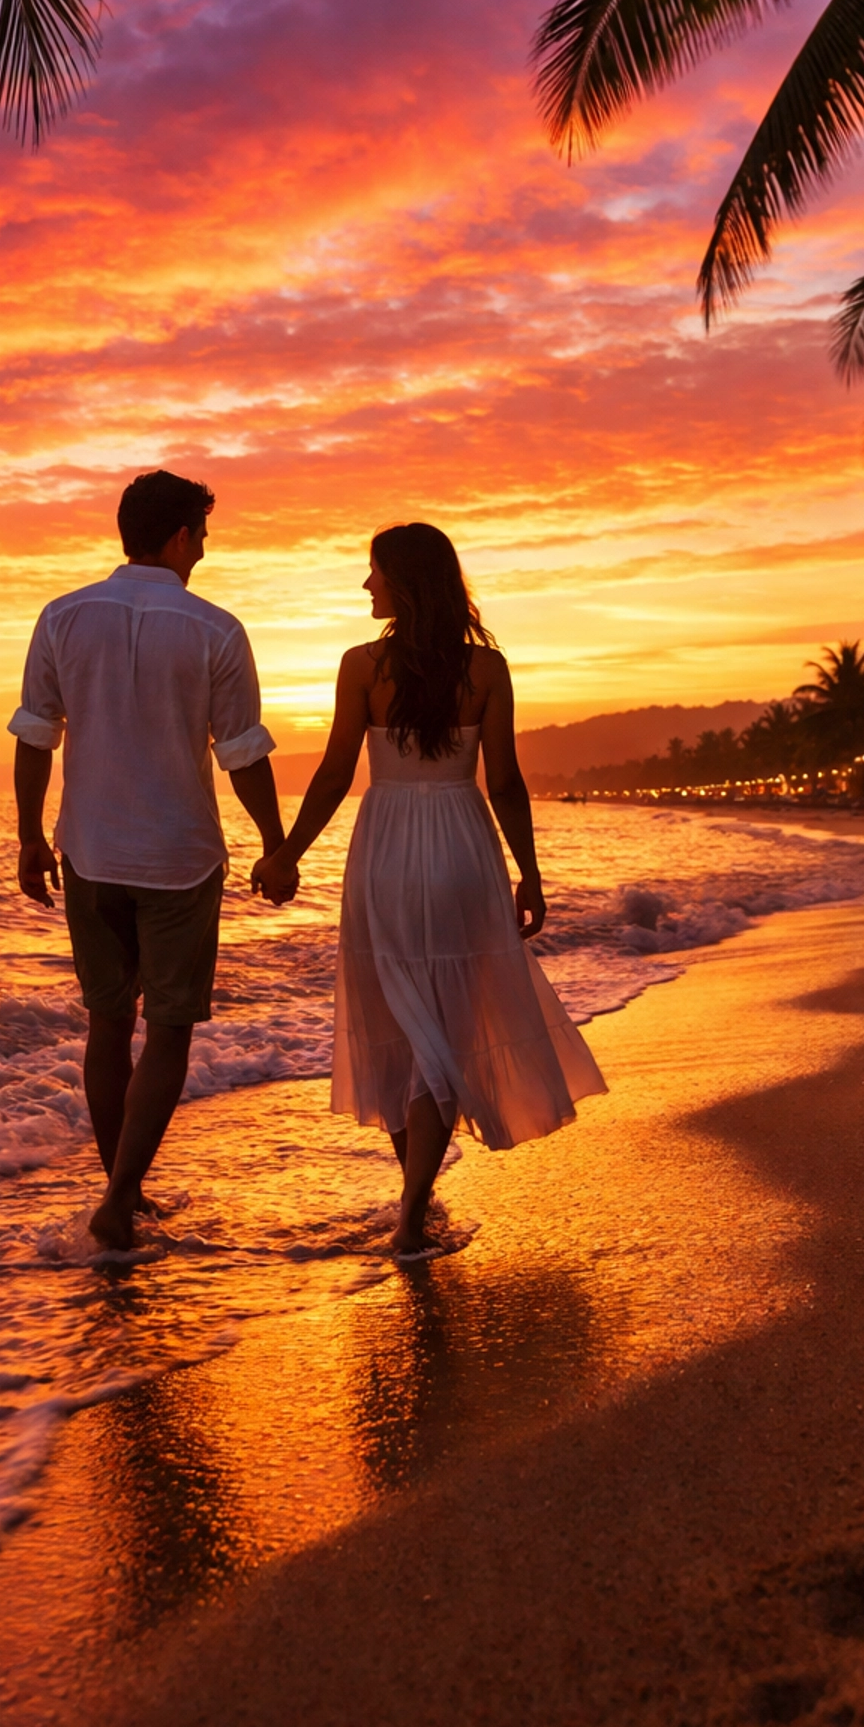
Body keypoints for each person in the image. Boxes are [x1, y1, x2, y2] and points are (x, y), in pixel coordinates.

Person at [253, 523, 605, 1256]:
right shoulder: (486, 669)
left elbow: (334, 773)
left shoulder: (360, 666)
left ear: (406, 582)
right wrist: (529, 872)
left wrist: (288, 854)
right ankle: (417, 1197)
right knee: (442, 1027)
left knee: (402, 1026)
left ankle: (412, 1203)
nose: (366, 585)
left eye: (375, 571)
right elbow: (504, 781)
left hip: (384, 850)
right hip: (462, 849)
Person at [11, 470, 296, 1252]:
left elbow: (35, 734)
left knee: (107, 1024)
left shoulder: (63, 616)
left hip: (91, 851)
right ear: (178, 537)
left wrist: (29, 835)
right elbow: (242, 752)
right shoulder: (215, 630)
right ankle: (120, 1198)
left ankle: (123, 1193)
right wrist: (274, 843)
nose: (203, 550)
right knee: (168, 1030)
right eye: (200, 535)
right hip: (180, 859)